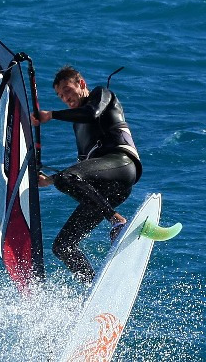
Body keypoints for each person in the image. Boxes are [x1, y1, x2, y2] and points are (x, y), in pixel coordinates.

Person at [30, 65, 142, 284]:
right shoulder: (77, 126)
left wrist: (51, 115)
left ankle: (118, 221)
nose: (65, 98)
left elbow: (92, 113)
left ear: (81, 83)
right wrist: (49, 180)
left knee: (66, 178)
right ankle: (94, 286)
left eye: (68, 90)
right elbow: (85, 167)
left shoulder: (102, 95)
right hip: (103, 191)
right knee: (62, 246)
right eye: (60, 96)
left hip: (122, 164)